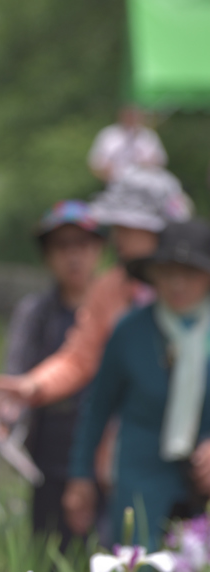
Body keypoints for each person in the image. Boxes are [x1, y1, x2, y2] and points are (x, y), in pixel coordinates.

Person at [0, 167, 193, 410]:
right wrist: (34, 384)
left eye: (127, 229)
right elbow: (79, 357)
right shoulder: (110, 289)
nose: (118, 238)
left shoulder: (198, 286)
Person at [65, 219, 210, 548]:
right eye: (167, 271)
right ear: (152, 274)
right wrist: (80, 477)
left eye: (190, 272)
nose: (177, 283)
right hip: (142, 470)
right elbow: (97, 406)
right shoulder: (130, 331)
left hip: (204, 474)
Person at [3, 201, 106, 545]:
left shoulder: (118, 310)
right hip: (49, 444)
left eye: (82, 245)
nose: (73, 256)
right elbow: (17, 370)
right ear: (47, 255)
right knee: (49, 546)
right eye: (62, 246)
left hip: (106, 445)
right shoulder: (36, 312)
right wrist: (8, 407)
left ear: (99, 250)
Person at [88, 105, 167, 182]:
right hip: (116, 185)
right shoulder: (108, 135)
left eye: (134, 114)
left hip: (147, 184)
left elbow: (160, 162)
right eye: (129, 114)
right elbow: (95, 164)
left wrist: (148, 164)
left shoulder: (149, 136)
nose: (131, 117)